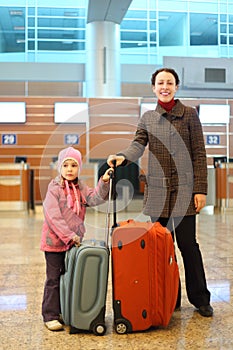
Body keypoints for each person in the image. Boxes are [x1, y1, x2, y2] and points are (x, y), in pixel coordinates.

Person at [107, 68, 213, 317]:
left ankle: (200, 299)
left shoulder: (189, 114)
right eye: (160, 83)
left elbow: (199, 153)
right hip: (157, 194)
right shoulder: (147, 118)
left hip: (185, 193)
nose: (165, 86)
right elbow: (137, 145)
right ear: (153, 87)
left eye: (169, 82)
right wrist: (123, 157)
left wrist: (200, 189)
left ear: (176, 86)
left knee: (188, 246)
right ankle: (169, 297)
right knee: (161, 248)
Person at [41, 146, 112, 331]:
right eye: (66, 165)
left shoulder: (80, 187)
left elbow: (95, 198)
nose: (70, 169)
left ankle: (65, 311)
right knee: (54, 279)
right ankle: (50, 315)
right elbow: (53, 217)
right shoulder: (54, 188)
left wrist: (104, 181)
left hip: (73, 244)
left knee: (69, 277)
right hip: (55, 244)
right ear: (60, 168)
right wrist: (69, 236)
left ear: (79, 168)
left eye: (74, 165)